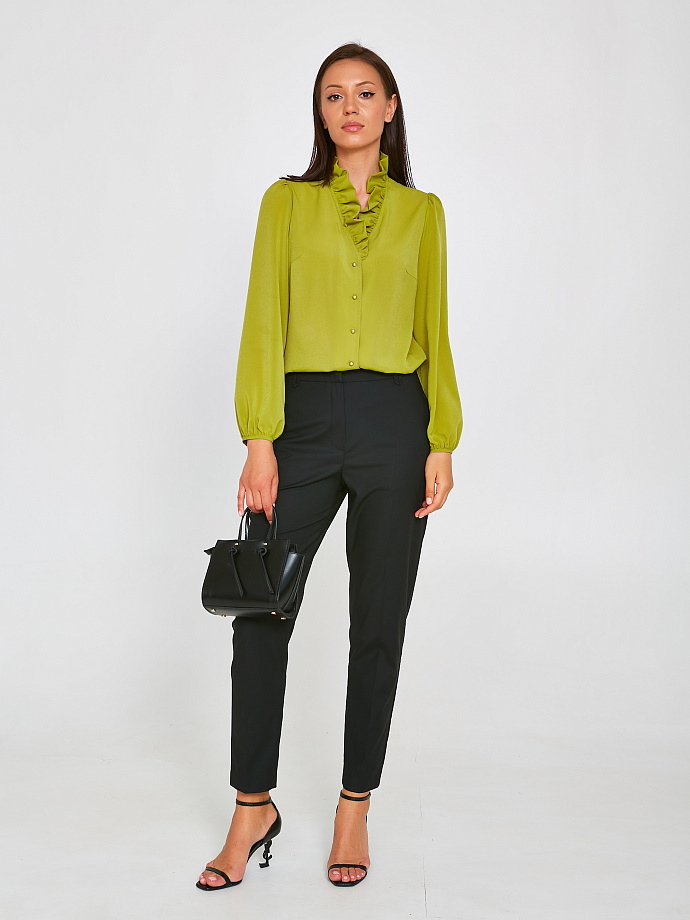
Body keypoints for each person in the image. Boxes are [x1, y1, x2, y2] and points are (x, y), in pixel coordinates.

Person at [196, 41, 463, 892]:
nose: (350, 107)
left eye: (366, 93)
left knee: (378, 620)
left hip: (395, 424)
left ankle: (355, 805)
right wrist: (260, 438)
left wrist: (442, 439)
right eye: (334, 95)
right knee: (260, 608)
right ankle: (252, 806)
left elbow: (434, 329)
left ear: (390, 107)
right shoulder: (286, 203)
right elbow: (262, 320)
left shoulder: (423, 214)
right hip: (301, 424)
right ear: (320, 112)